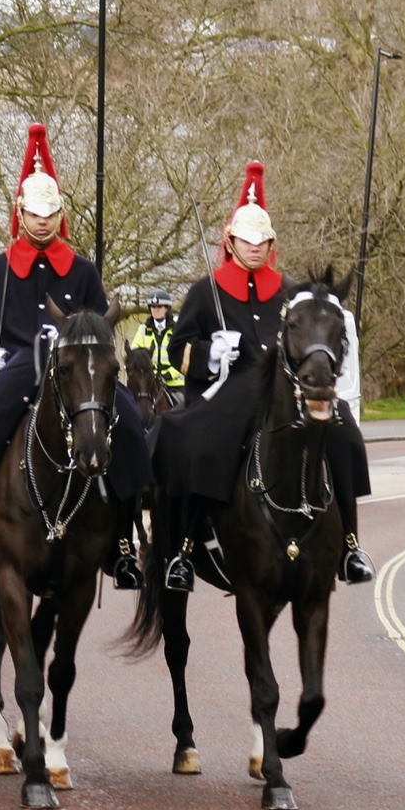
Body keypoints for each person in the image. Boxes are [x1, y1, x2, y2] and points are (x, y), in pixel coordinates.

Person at [0, 123, 151, 589]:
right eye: (34, 214)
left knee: (128, 429)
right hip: (18, 369)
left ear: (60, 214)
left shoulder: (82, 271)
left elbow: (100, 328)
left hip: (72, 370)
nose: (42, 222)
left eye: (50, 213)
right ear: (20, 213)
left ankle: (122, 544)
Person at [157, 160, 374, 591]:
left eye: (262, 242)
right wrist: (209, 353)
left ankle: (349, 543)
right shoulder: (206, 291)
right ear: (230, 241)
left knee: (344, 430)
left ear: (271, 244)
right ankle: (182, 547)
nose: (254, 249)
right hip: (228, 389)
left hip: (284, 389)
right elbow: (177, 350)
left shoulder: (289, 290)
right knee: (193, 442)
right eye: (246, 241)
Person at [126, 289, 185, 396]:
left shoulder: (178, 330)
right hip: (150, 382)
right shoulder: (143, 330)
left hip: (175, 383)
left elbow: (183, 358)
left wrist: (168, 375)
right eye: (153, 307)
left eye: (159, 307)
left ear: (167, 308)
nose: (155, 310)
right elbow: (135, 356)